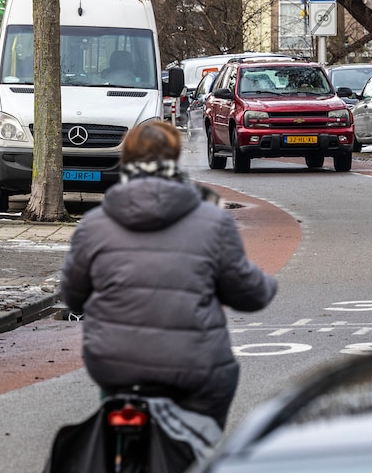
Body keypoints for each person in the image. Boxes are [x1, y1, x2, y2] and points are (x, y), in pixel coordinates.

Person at [60, 120, 277, 429]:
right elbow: (249, 294)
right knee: (216, 392)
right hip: (192, 363)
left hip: (113, 361)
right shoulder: (213, 221)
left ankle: (114, 438)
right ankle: (201, 448)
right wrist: (266, 285)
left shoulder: (93, 225)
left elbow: (73, 297)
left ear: (126, 159)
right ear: (175, 157)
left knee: (115, 390)